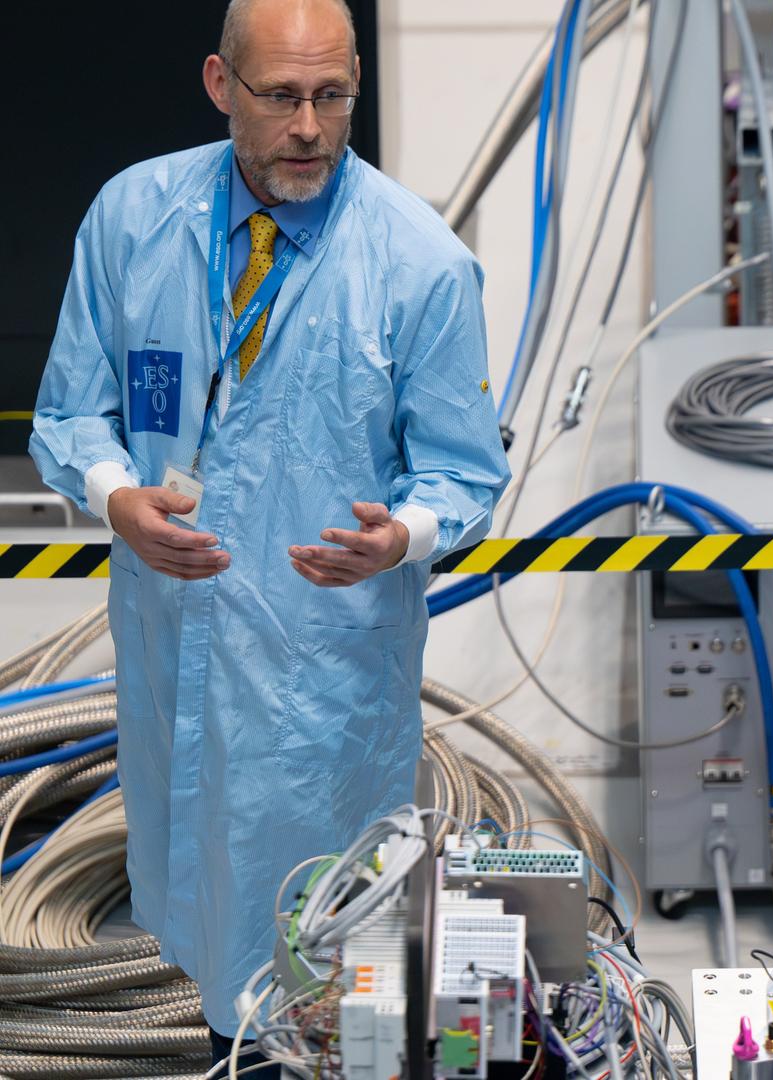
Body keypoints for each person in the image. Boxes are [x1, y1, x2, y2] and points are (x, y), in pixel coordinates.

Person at [28, 0, 508, 1059]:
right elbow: (70, 412)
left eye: (332, 97)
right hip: (172, 653)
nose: (308, 128)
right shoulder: (133, 219)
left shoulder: (419, 262)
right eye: (282, 96)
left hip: (320, 679)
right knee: (206, 933)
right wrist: (114, 496)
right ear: (219, 84)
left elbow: (466, 470)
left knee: (335, 958)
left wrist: (402, 536)